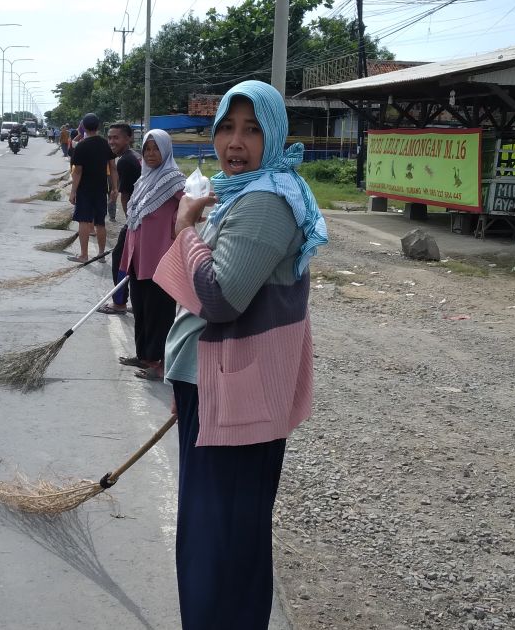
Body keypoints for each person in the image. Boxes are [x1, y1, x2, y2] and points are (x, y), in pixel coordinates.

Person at [152, 80, 327, 629]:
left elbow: (222, 297)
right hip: (217, 389)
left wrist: (185, 230)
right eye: (227, 126)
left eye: (252, 129)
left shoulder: (266, 204)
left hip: (232, 398)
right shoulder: (246, 191)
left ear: (274, 136)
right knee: (229, 534)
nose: (235, 141)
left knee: (217, 538)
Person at [115, 129, 184, 379]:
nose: (152, 154)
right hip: (138, 256)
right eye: (147, 149)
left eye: (156, 149)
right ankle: (144, 355)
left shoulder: (174, 179)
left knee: (160, 311)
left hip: (160, 258)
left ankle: (160, 364)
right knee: (141, 307)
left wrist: (178, 223)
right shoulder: (145, 178)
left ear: (166, 150)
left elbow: (190, 204)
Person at [99, 123, 142, 315]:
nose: (111, 141)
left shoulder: (125, 161)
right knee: (137, 262)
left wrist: (130, 224)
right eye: (109, 137)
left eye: (116, 137)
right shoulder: (134, 156)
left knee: (120, 259)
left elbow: (126, 197)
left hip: (136, 219)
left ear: (128, 138)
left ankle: (119, 303)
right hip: (143, 218)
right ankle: (139, 303)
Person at [68, 113, 118, 262]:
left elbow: (78, 172)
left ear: (83, 127)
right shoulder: (104, 144)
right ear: (98, 126)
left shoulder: (81, 146)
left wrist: (73, 192)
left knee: (84, 221)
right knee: (100, 222)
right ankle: (101, 255)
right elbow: (113, 167)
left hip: (84, 190)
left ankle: (84, 255)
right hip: (101, 189)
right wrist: (114, 188)